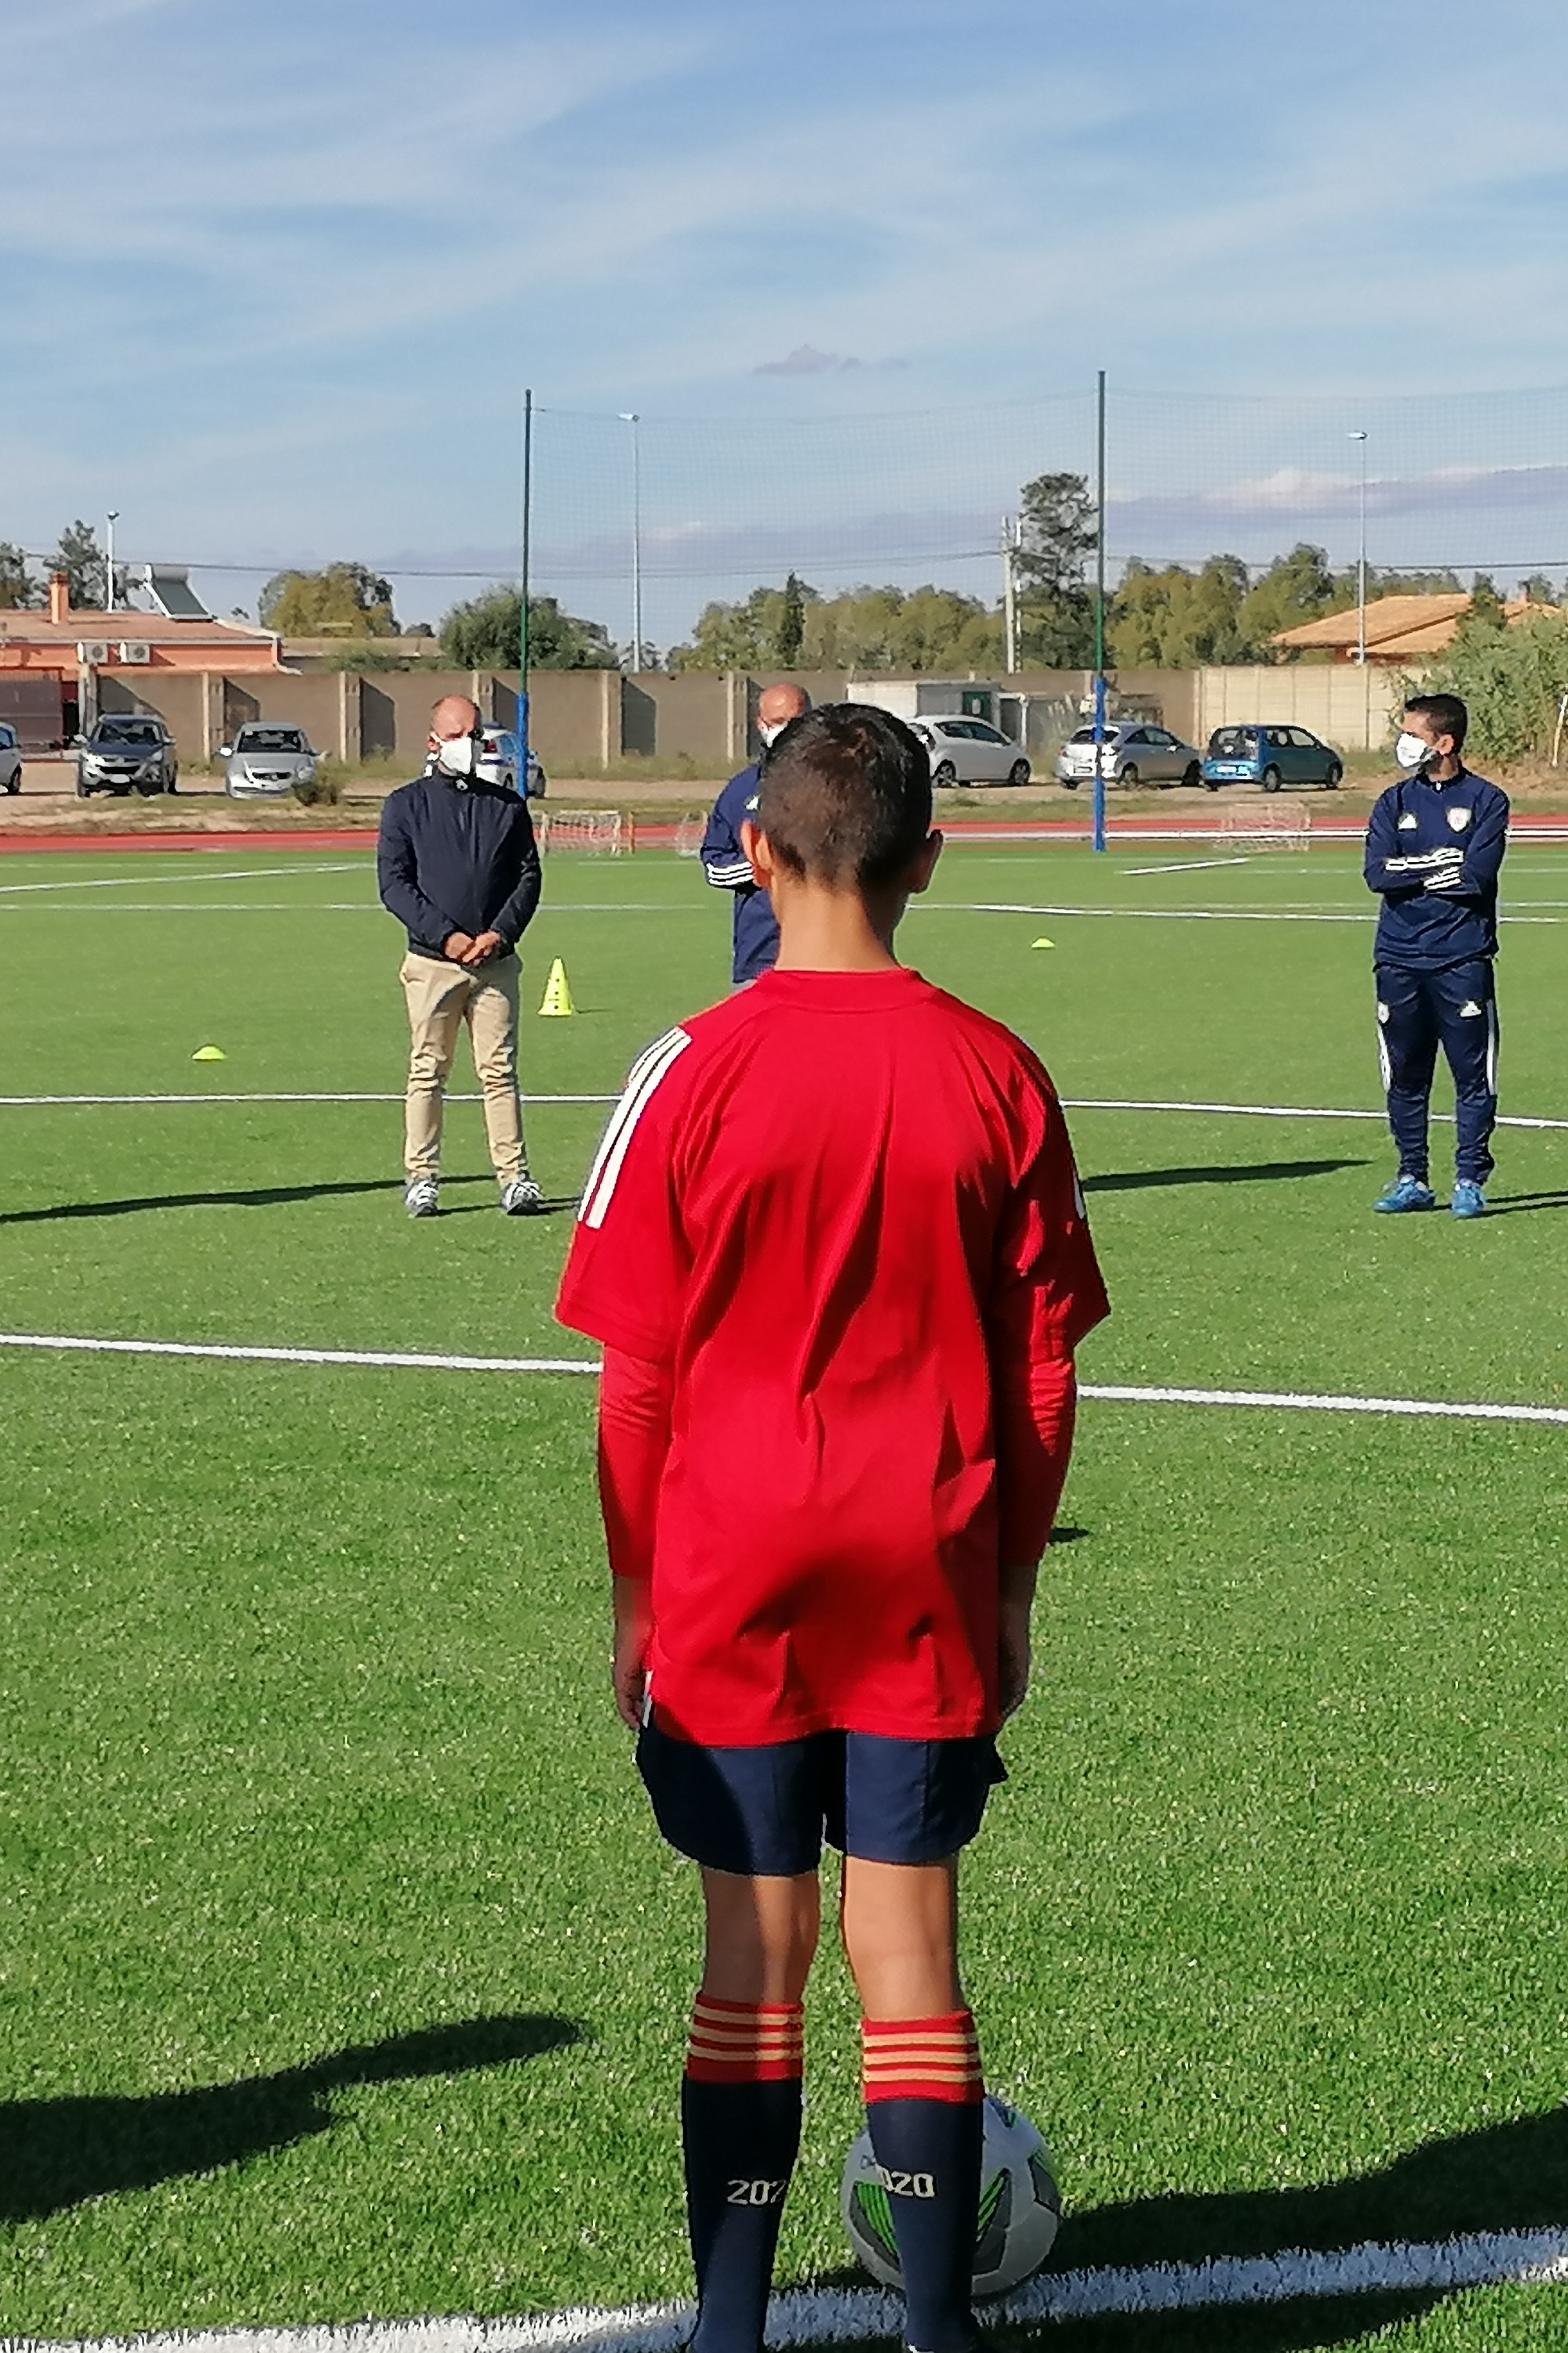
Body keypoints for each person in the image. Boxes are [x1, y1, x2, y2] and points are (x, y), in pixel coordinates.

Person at [555, 704, 1108, 2353]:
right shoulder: (997, 1070)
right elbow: (1042, 1375)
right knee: (909, 1956)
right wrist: (1011, 1584)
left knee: (751, 1961)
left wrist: (636, 1592)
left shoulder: (684, 1068)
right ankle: (937, 2330)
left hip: (732, 1569)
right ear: (929, 860)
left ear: (751, 850)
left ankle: (728, 2328)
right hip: (921, 1568)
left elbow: (636, 1383)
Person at [377, 694, 544, 1219]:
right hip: (432, 964)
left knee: (500, 1072)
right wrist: (445, 936)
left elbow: (528, 878)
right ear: (433, 742)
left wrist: (500, 933)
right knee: (428, 1070)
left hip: (495, 964)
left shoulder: (507, 806)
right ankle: (422, 1177)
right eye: (456, 735)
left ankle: (515, 1178)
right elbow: (394, 884)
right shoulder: (405, 805)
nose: (468, 745)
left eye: (474, 735)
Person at [1362, 691, 1510, 1219]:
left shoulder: (1488, 800)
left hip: (1461, 959)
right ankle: (1412, 1177)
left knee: (1473, 1076)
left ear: (1444, 743)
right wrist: (1439, 863)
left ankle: (1470, 1178)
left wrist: (1415, 870)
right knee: (1405, 1073)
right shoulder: (1392, 803)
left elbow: (1475, 877)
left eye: (1412, 734)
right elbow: (1377, 874)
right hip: (1398, 959)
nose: (1402, 743)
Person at [698, 682, 811, 985]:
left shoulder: (843, 782)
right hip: (760, 959)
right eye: (777, 722)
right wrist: (767, 864)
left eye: (795, 721)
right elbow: (714, 865)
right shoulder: (742, 789)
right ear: (761, 725)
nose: (787, 731)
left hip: (831, 960)